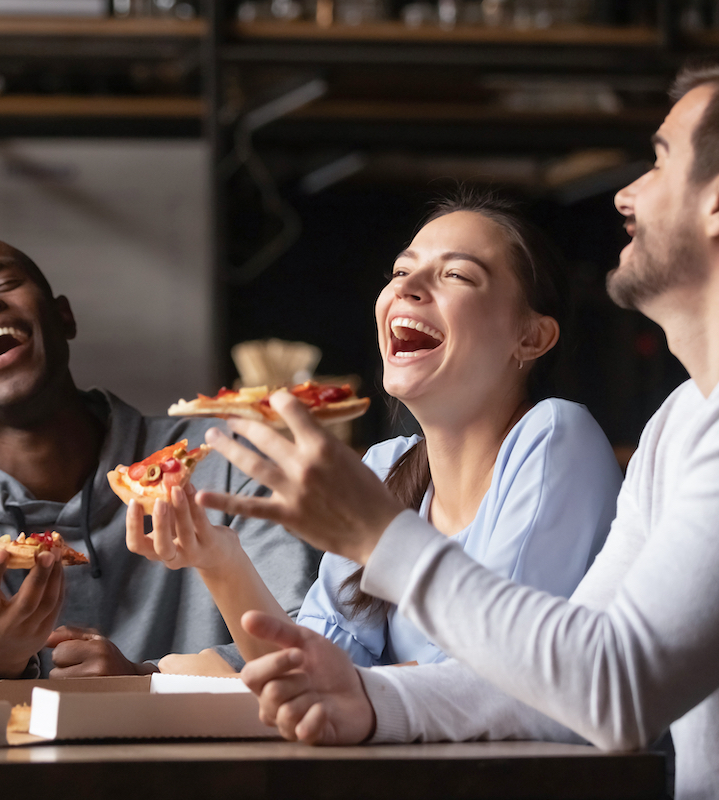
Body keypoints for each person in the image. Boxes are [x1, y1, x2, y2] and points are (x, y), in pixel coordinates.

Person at [193, 65, 719, 800]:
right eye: (403, 270)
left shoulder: (576, 435)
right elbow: (562, 682)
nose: (624, 194)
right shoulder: (677, 426)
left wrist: (379, 538)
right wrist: (371, 700)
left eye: (658, 161)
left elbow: (612, 690)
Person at [127, 194, 622, 668]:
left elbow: (502, 669)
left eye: (456, 275)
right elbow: (315, 670)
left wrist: (359, 683)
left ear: (531, 336)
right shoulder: (385, 468)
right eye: (402, 271)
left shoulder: (554, 435)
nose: (406, 287)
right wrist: (220, 561)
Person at [0, 235, 319, 681]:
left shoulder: (222, 459)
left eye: (2, 284)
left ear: (64, 317)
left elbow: (311, 639)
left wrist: (147, 679)